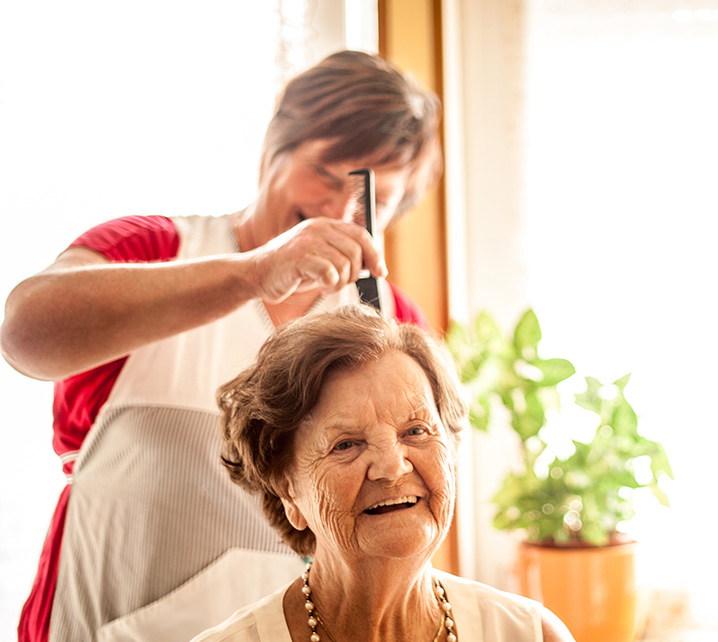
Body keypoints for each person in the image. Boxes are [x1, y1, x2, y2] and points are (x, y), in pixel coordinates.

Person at [0, 51, 441, 642]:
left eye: (371, 200)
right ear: (272, 150)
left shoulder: (389, 321)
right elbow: (26, 332)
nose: (338, 213)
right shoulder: (154, 250)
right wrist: (254, 273)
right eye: (326, 176)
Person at [191, 305, 574, 642]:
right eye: (346, 444)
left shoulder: (531, 636)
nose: (392, 467)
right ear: (288, 491)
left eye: (415, 431)